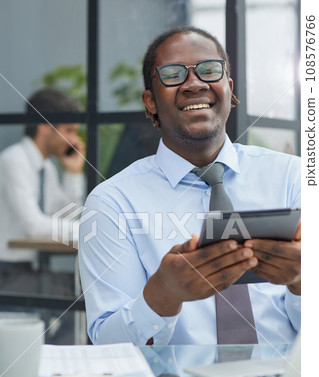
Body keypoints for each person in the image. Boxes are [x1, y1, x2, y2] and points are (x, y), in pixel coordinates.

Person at [79, 26, 300, 346]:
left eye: (210, 70)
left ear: (230, 88)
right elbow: (108, 344)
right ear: (150, 101)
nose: (194, 83)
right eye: (172, 74)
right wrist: (161, 298)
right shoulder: (113, 202)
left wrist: (301, 283)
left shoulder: (292, 177)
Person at [0, 88, 86, 276]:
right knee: (73, 294)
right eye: (69, 131)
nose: (74, 140)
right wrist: (86, 228)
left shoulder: (46, 167)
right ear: (44, 126)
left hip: (30, 269)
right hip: (7, 270)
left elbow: (67, 217)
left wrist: (73, 174)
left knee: (77, 291)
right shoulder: (13, 161)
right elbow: (33, 225)